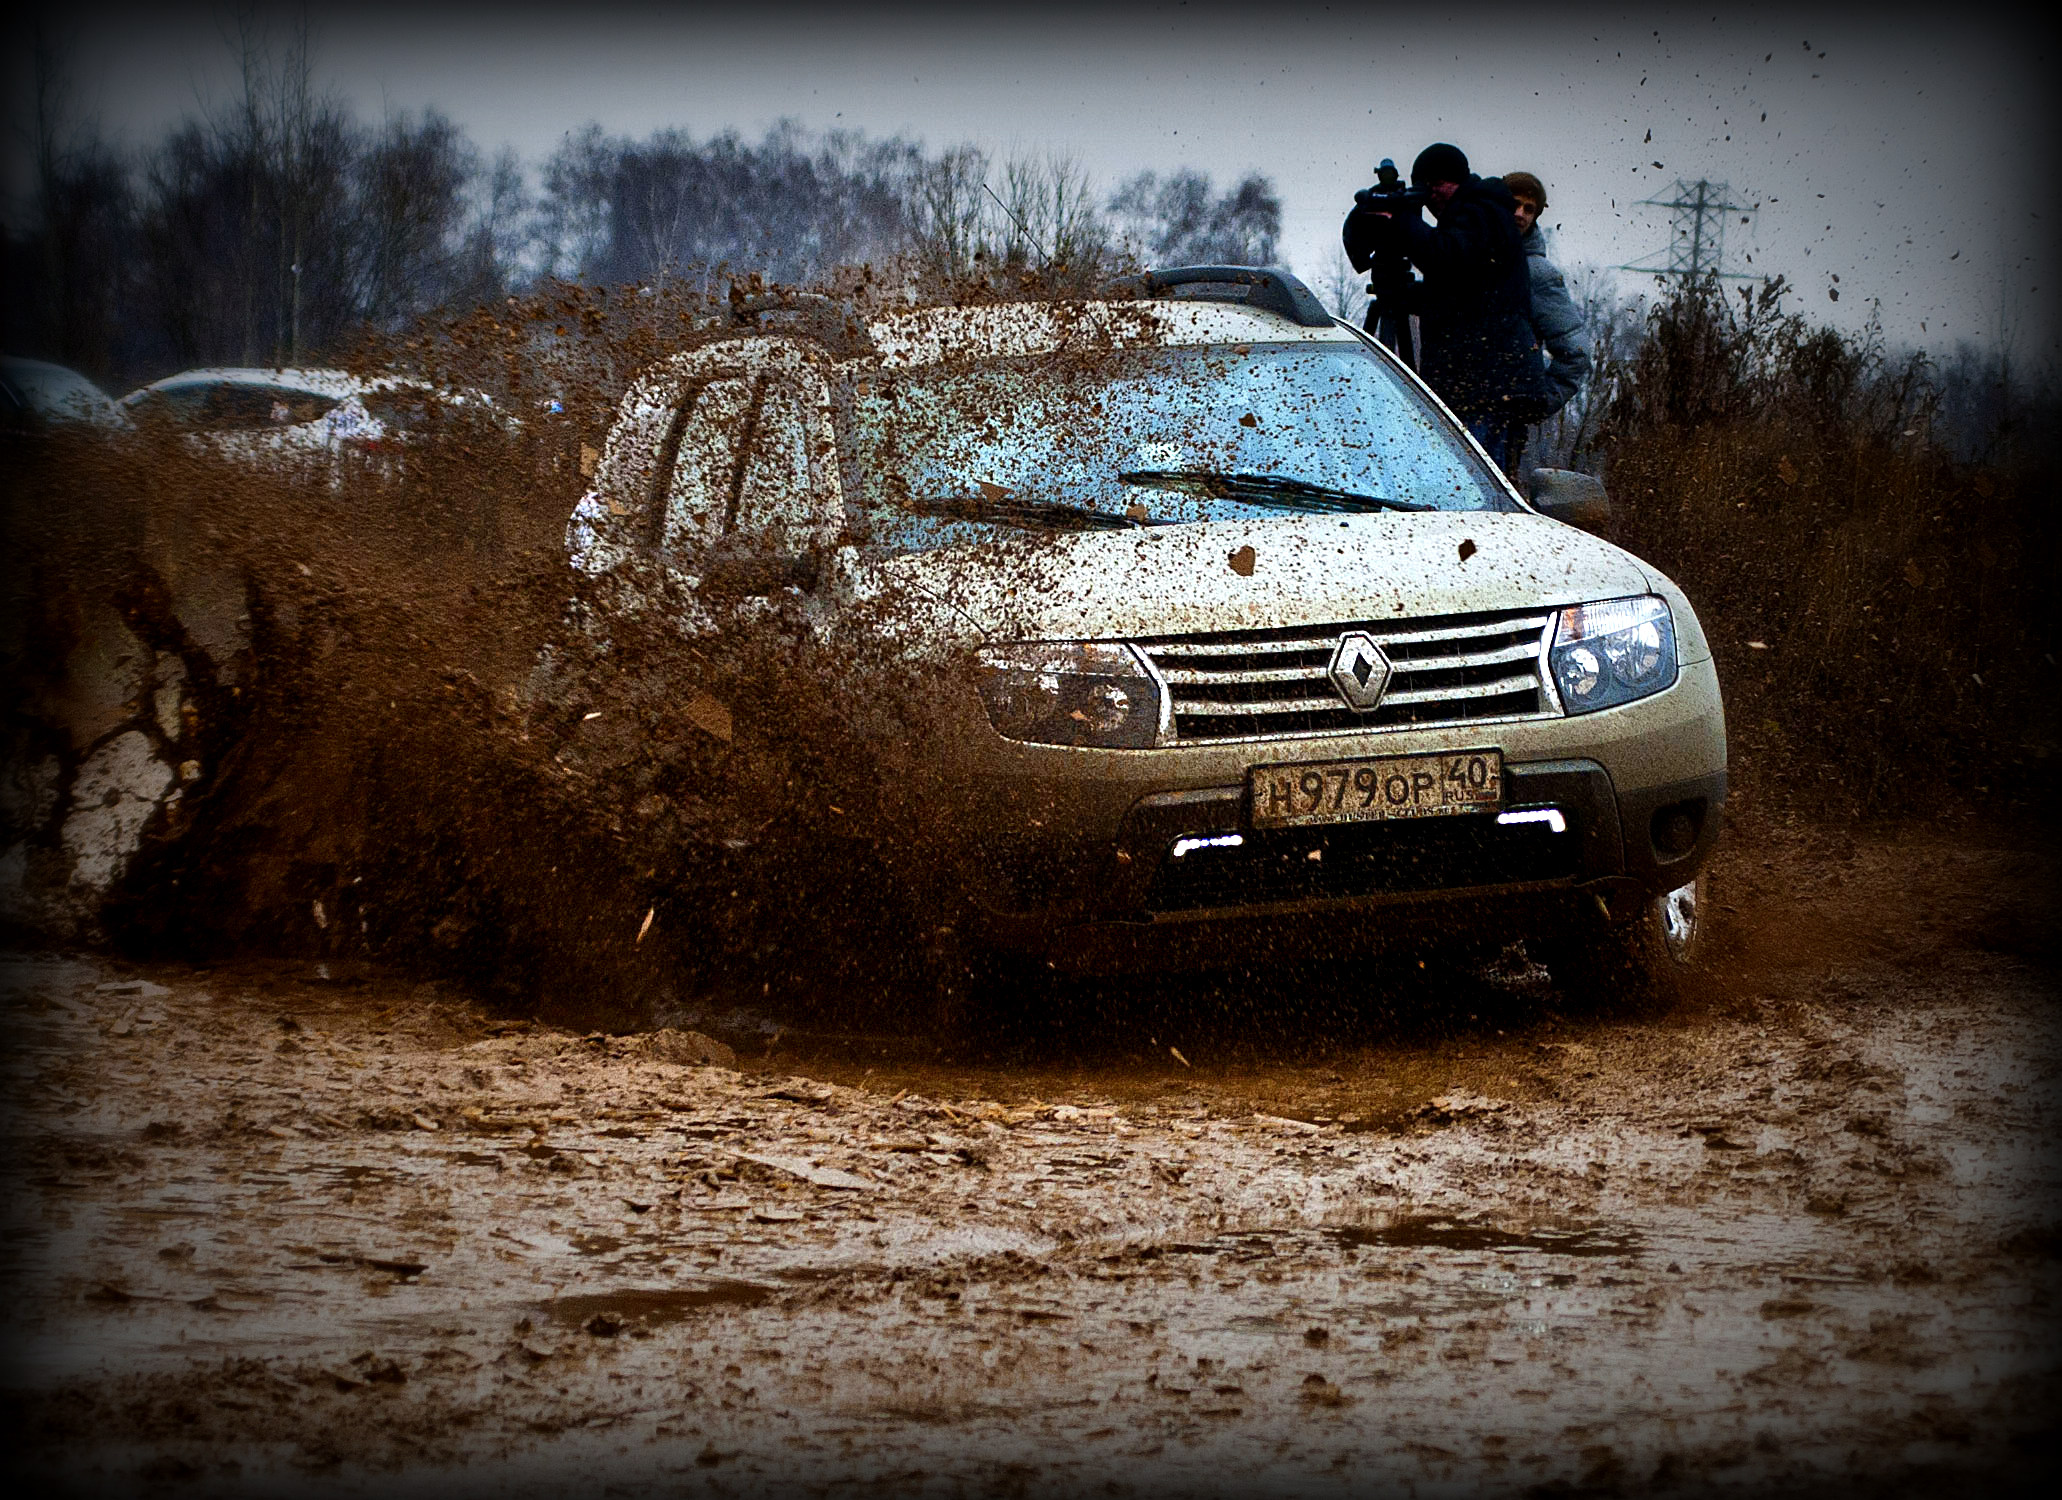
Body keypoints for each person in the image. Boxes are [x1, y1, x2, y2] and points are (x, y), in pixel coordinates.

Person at [1341, 143, 1552, 468]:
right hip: (1479, 385)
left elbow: (1445, 257)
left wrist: (1401, 220)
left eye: (1434, 186)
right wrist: (1401, 294)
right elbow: (1459, 296)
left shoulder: (1482, 212)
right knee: (1464, 475)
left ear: (1451, 181)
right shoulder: (1475, 215)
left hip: (1485, 389)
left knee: (1472, 479)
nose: (1430, 197)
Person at [1500, 171, 1593, 473]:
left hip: (1501, 422)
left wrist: (1537, 402)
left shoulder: (1537, 273)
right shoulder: (1472, 258)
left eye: (1529, 209)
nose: (1520, 214)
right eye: (1513, 204)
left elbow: (1576, 353)